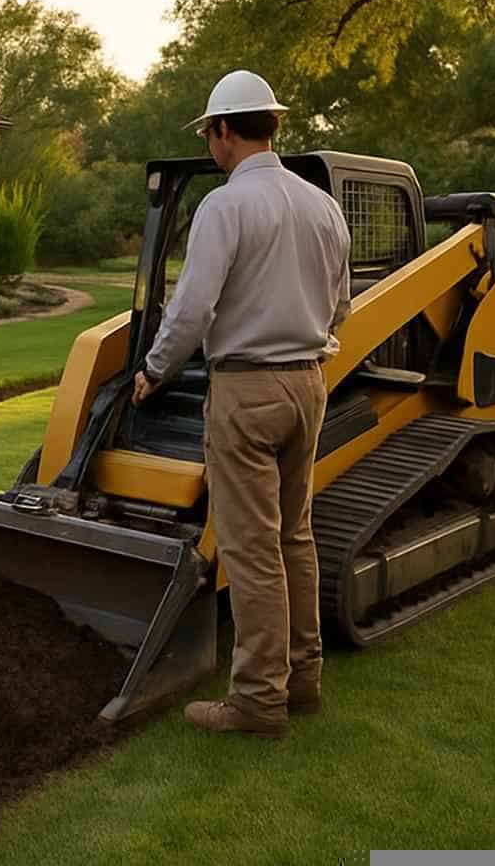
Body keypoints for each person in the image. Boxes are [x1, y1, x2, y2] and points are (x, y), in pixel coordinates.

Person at [132, 70, 351, 739]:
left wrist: (153, 371)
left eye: (210, 133)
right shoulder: (322, 207)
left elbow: (193, 311)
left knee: (251, 549)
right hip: (308, 383)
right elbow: (341, 305)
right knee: (294, 536)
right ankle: (304, 680)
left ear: (225, 129)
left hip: (247, 390)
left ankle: (258, 702)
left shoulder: (224, 208)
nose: (211, 144)